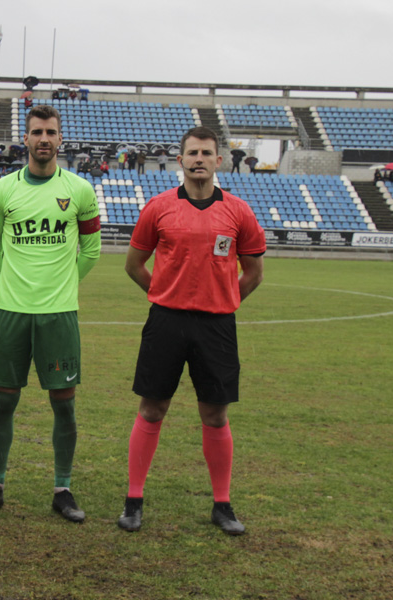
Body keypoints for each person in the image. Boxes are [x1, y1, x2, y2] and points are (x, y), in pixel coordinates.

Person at [117, 126, 265, 535]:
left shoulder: (238, 212)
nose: (199, 159)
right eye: (192, 153)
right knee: (152, 408)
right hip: (166, 321)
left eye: (206, 153)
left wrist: (224, 301)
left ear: (219, 161)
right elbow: (133, 265)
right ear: (180, 160)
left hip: (217, 325)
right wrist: (164, 295)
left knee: (215, 414)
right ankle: (133, 499)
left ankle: (222, 504)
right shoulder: (158, 207)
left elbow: (254, 273)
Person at [0, 105, 101, 522]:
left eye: (50, 131)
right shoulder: (1, 191)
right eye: (36, 132)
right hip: (12, 311)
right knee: (3, 402)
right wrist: (16, 281)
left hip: (60, 315)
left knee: (64, 404)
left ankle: (62, 488)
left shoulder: (81, 190)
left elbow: (93, 250)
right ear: (25, 139)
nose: (43, 138)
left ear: (60, 139)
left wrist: (61, 285)